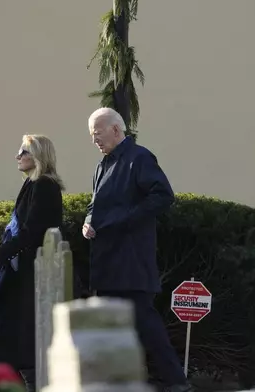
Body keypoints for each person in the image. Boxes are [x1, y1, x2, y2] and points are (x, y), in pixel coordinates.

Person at [82, 107, 194, 392]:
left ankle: (177, 383)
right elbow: (95, 204)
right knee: (109, 326)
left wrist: (122, 220)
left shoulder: (139, 158)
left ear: (116, 130)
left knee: (146, 323)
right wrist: (87, 220)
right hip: (106, 259)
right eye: (91, 135)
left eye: (97, 133)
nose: (94, 139)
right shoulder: (101, 165)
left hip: (131, 259)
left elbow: (163, 195)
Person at [0, 134, 64, 392]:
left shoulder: (44, 186)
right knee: (5, 337)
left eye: (24, 152)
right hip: (18, 272)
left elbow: (31, 232)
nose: (18, 156)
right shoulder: (31, 184)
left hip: (32, 275)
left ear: (39, 156)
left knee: (23, 342)